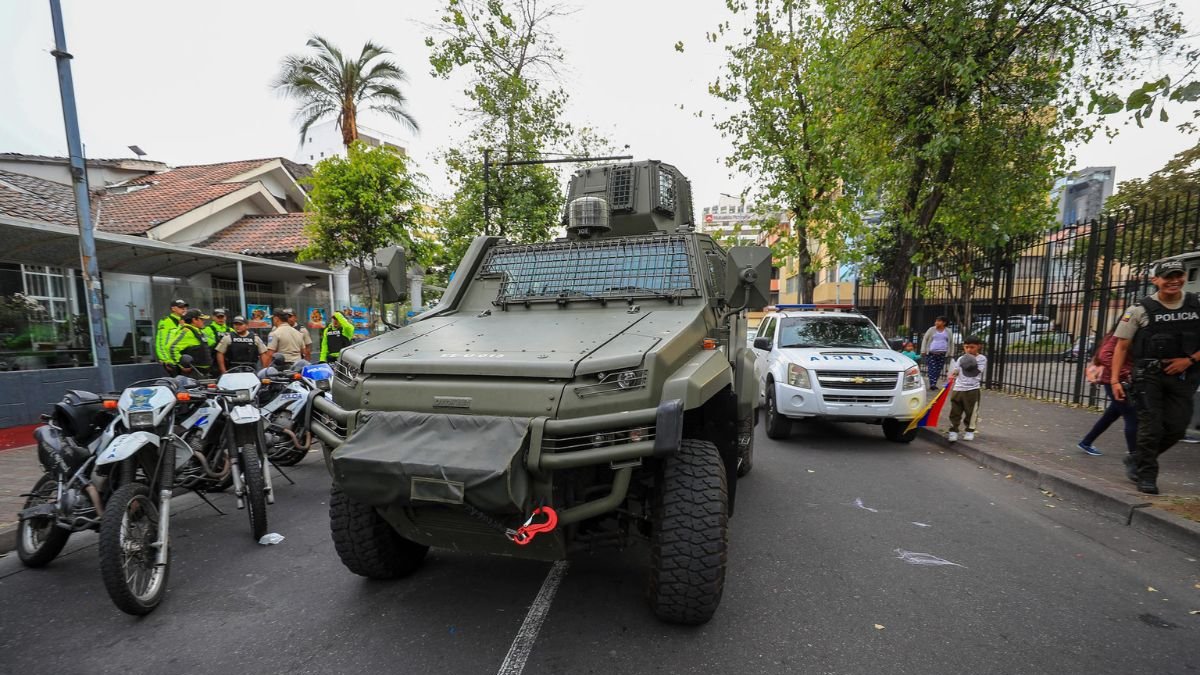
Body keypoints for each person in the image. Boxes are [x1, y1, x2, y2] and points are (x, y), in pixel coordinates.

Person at [1111, 259, 1200, 495]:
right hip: (1147, 376)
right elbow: (1121, 347)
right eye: (1167, 277)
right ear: (1155, 281)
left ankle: (1137, 459)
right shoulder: (1139, 310)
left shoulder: (1195, 305)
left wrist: (1189, 361)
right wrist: (1114, 380)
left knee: (1178, 427)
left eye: (1178, 275)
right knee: (1151, 427)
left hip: (1182, 376)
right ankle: (1147, 475)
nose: (1173, 281)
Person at [1077, 332, 1135, 457]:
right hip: (1117, 382)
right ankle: (1135, 457)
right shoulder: (1121, 335)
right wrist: (1124, 373)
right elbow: (1105, 355)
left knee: (1111, 415)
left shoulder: (1118, 334)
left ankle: (1086, 442)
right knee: (1131, 417)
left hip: (1117, 381)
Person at [946, 335, 987, 442]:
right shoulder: (961, 358)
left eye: (972, 347)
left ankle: (969, 430)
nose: (969, 349)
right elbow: (956, 370)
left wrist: (968, 359)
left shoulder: (981, 359)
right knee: (955, 411)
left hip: (972, 389)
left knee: (971, 412)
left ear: (979, 347)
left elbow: (975, 371)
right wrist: (953, 374)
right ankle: (953, 431)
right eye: (966, 347)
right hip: (958, 388)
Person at [168, 309, 214, 377]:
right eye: (201, 319)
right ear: (194, 320)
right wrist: (182, 366)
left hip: (204, 372)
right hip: (193, 373)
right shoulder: (187, 332)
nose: (203, 321)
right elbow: (172, 348)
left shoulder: (199, 331)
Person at [155, 298, 188, 374]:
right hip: (172, 363)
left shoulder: (186, 320)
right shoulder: (166, 321)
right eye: (180, 307)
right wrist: (165, 360)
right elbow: (160, 342)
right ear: (173, 308)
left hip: (184, 360)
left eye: (185, 307)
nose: (184, 309)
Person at [921, 316, 954, 390]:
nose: (936, 323)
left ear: (944, 323)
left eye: (939, 321)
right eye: (936, 321)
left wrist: (951, 353)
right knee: (932, 368)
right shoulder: (931, 329)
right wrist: (923, 350)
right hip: (931, 353)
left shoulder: (948, 331)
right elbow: (925, 339)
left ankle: (934, 383)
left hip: (942, 353)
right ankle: (932, 384)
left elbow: (951, 342)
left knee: (938, 369)